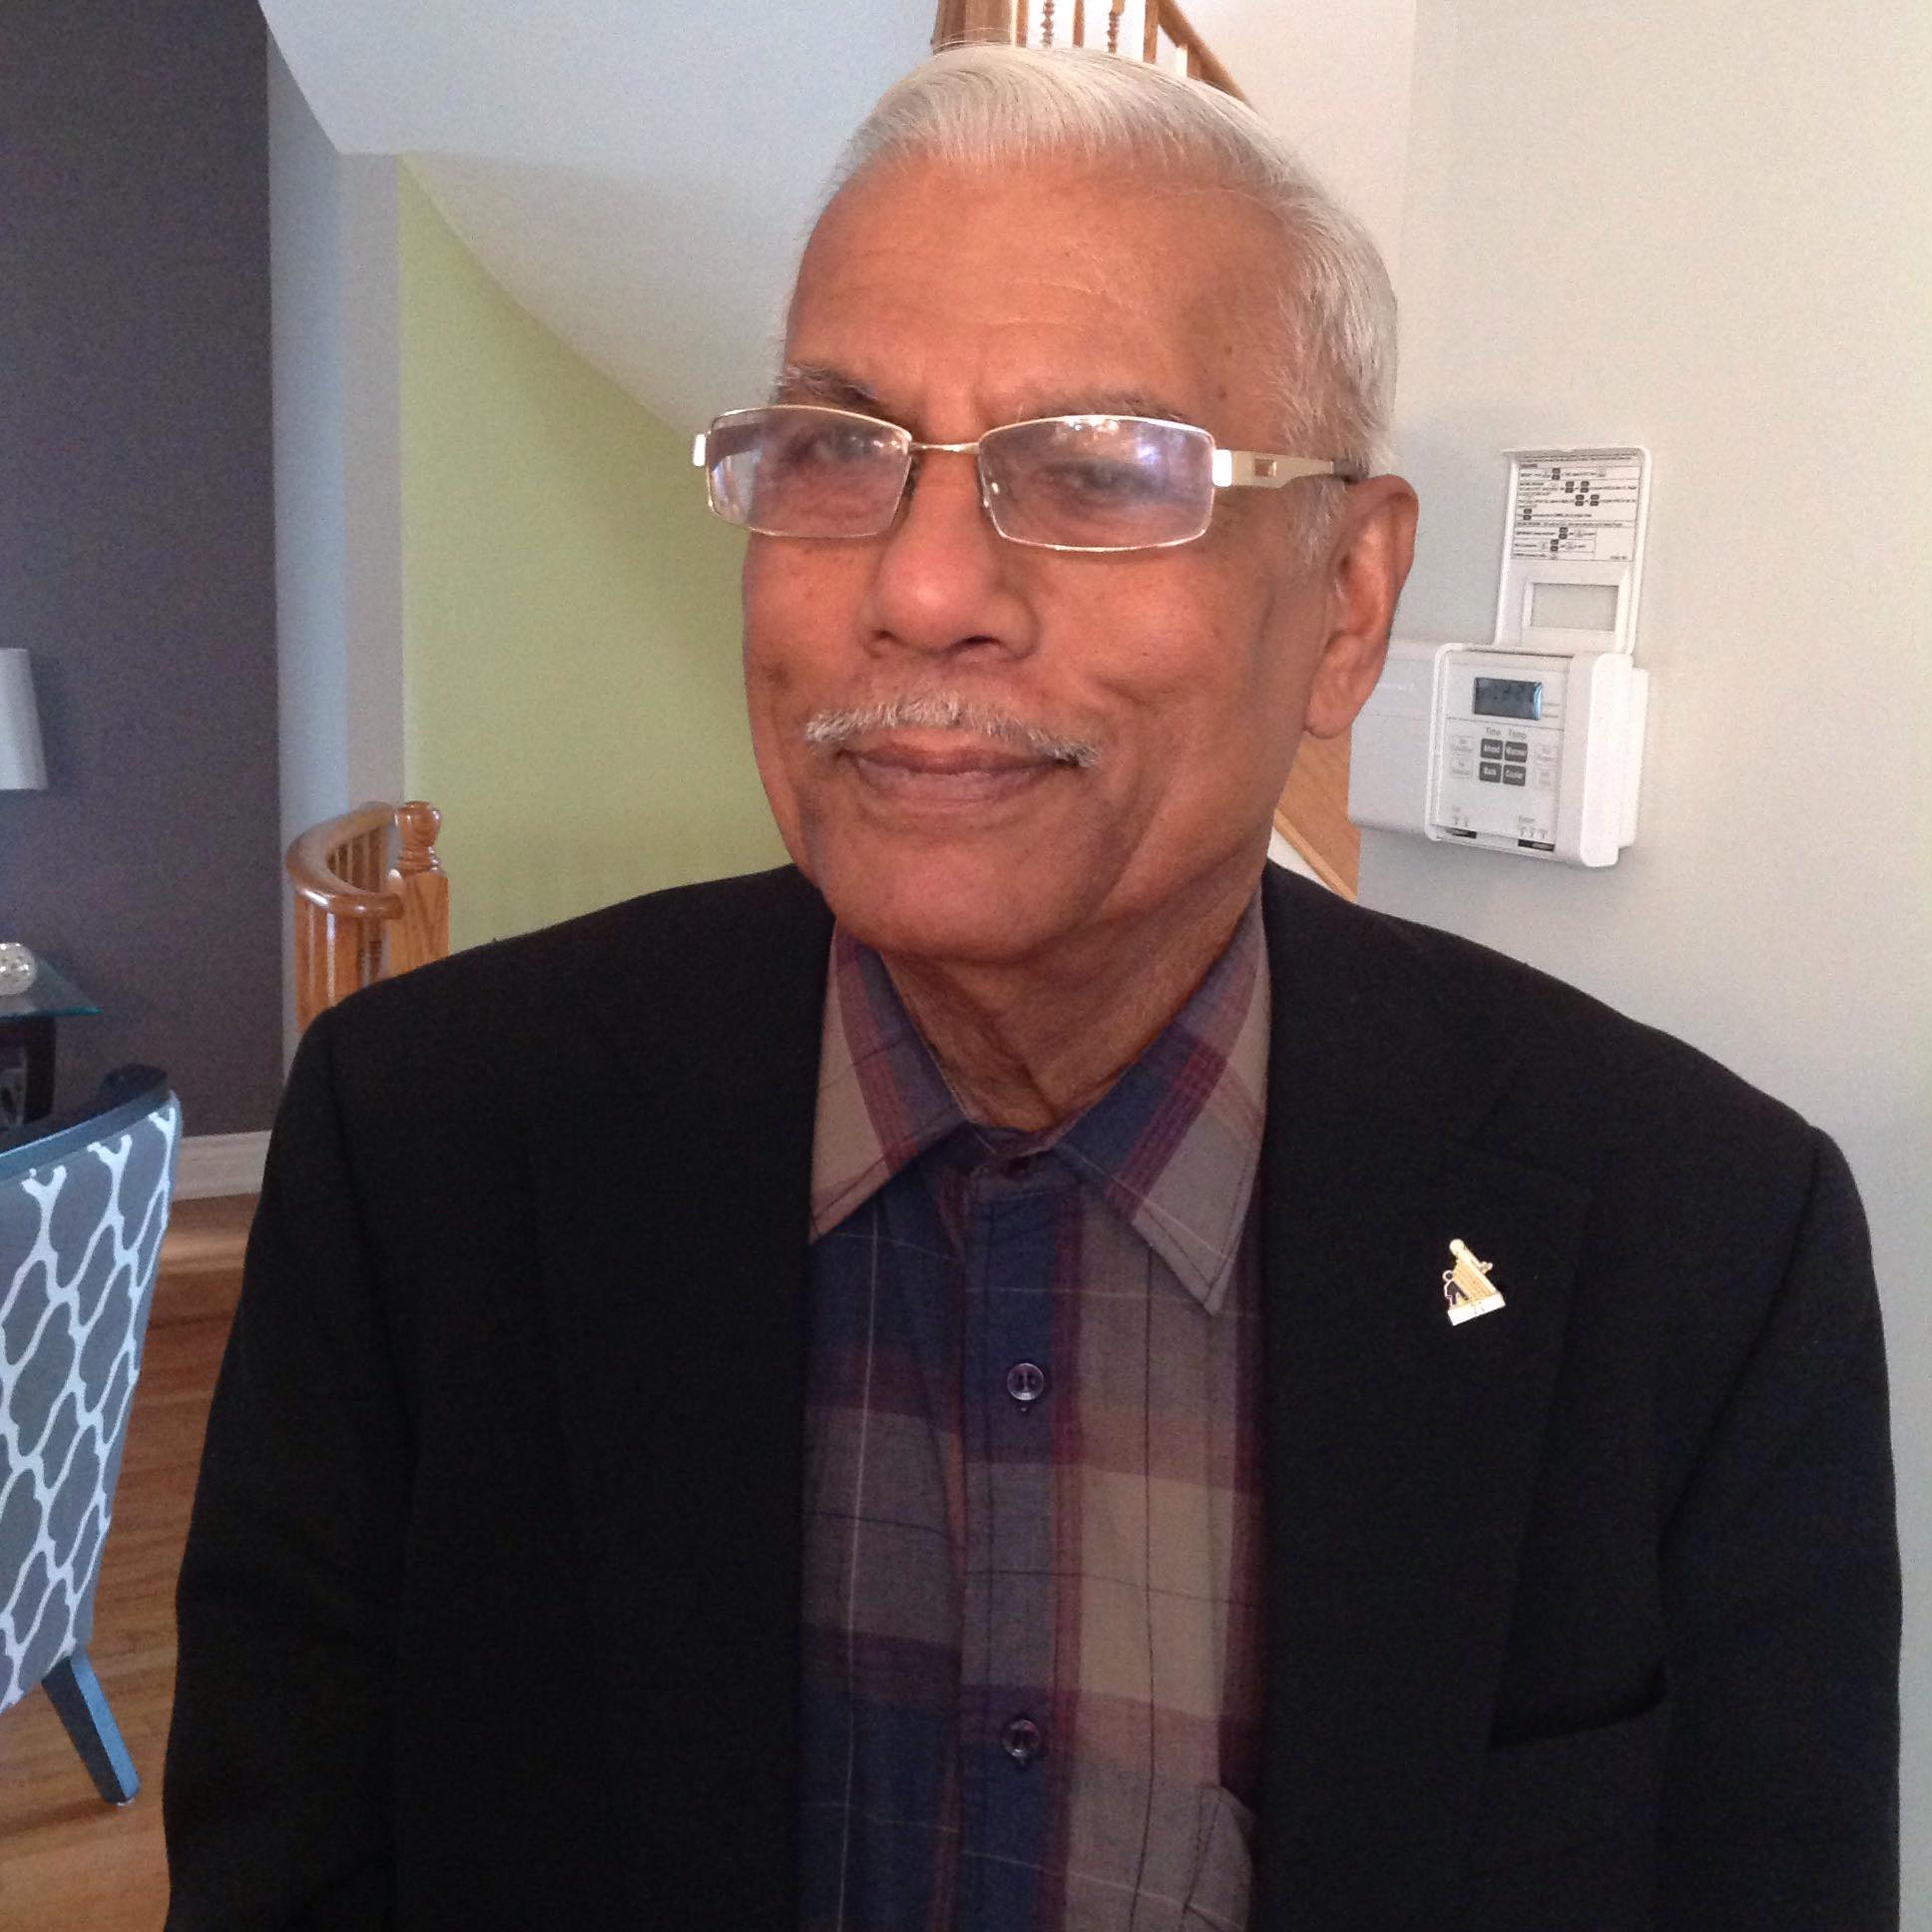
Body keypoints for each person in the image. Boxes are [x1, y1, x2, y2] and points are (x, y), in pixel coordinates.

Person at [163, 43, 1899, 1932]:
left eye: (1097, 471)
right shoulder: (426, 1144)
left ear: (1347, 602)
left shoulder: (1698, 1249)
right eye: (835, 450)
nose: (920, 593)